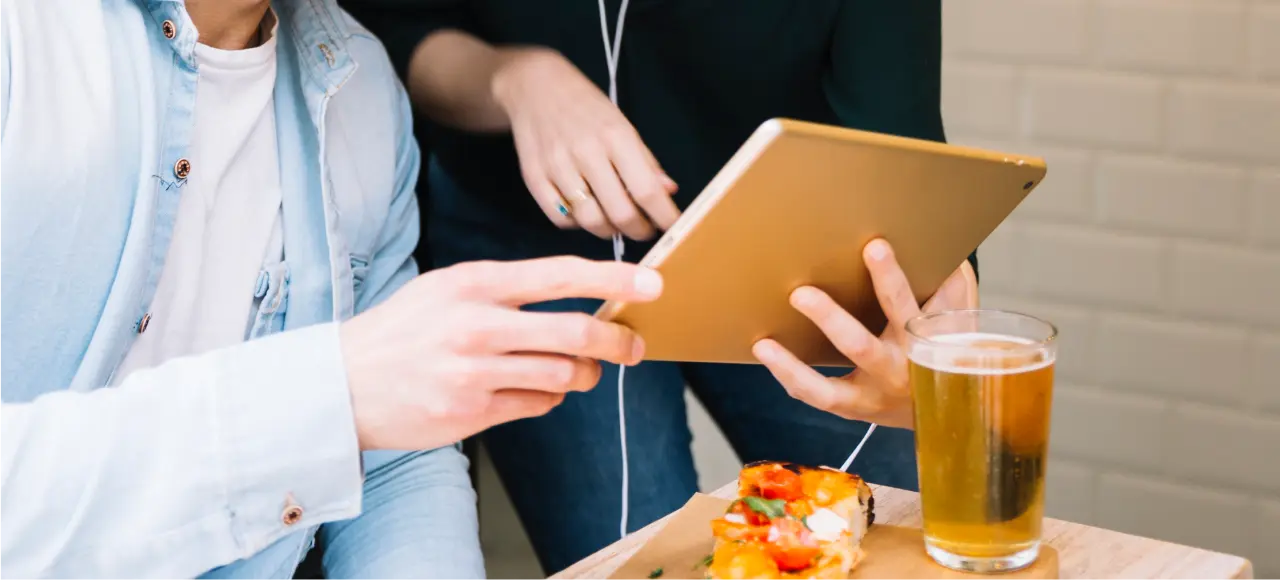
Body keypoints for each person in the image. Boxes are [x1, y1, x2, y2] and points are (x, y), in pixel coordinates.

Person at [0, 0, 666, 578]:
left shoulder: (363, 83)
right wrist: (328, 397)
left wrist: (353, 405)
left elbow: (396, 469)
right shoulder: (24, 39)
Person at [343, 0, 978, 574]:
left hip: (785, 242)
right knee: (633, 551)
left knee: (901, 523)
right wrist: (515, 77)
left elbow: (901, 142)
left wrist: (935, 330)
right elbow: (397, 29)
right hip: (537, 238)